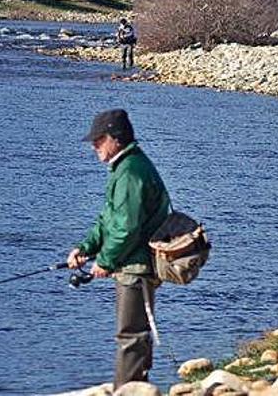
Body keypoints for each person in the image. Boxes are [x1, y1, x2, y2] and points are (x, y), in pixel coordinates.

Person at [66, 109, 170, 389]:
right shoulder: (125, 167)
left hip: (135, 267)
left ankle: (128, 389)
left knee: (130, 335)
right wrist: (85, 248)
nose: (93, 145)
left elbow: (127, 227)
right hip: (131, 262)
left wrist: (107, 262)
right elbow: (108, 219)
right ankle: (139, 387)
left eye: (99, 139)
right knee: (136, 333)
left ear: (116, 138)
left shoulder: (130, 172)